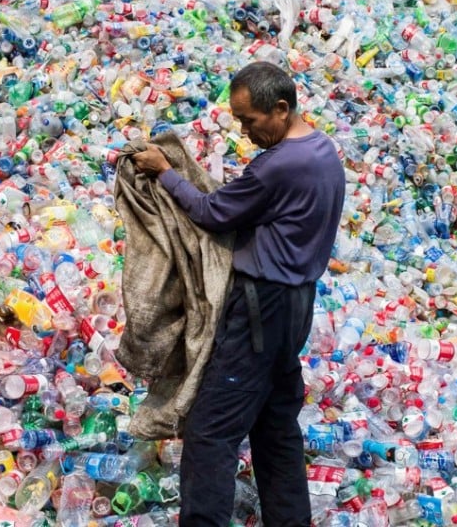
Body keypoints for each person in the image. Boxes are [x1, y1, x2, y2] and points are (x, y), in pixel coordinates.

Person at [131, 61, 346, 527]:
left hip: (259, 310)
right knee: (275, 427)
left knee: (212, 431)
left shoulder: (279, 165)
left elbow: (212, 213)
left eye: (250, 120)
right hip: (297, 306)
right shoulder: (323, 151)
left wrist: (166, 171)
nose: (245, 131)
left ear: (282, 109)